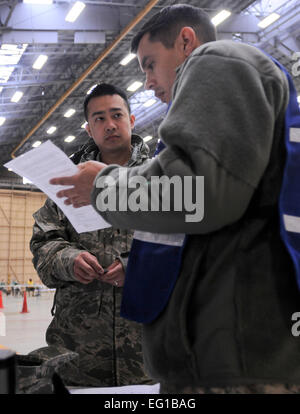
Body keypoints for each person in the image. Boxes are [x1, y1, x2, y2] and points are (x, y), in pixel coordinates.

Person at [49, 5, 300, 393]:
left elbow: (199, 194)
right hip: (223, 355)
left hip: (234, 360)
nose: (148, 81)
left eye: (150, 64)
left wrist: (102, 187)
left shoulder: (216, 59)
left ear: (186, 41)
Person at [30, 83, 151, 387]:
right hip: (78, 355)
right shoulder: (67, 181)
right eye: (99, 118)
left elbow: (188, 243)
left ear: (132, 120)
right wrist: (68, 260)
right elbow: (44, 244)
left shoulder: (160, 176)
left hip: (149, 354)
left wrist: (136, 267)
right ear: (88, 128)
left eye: (117, 115)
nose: (110, 125)